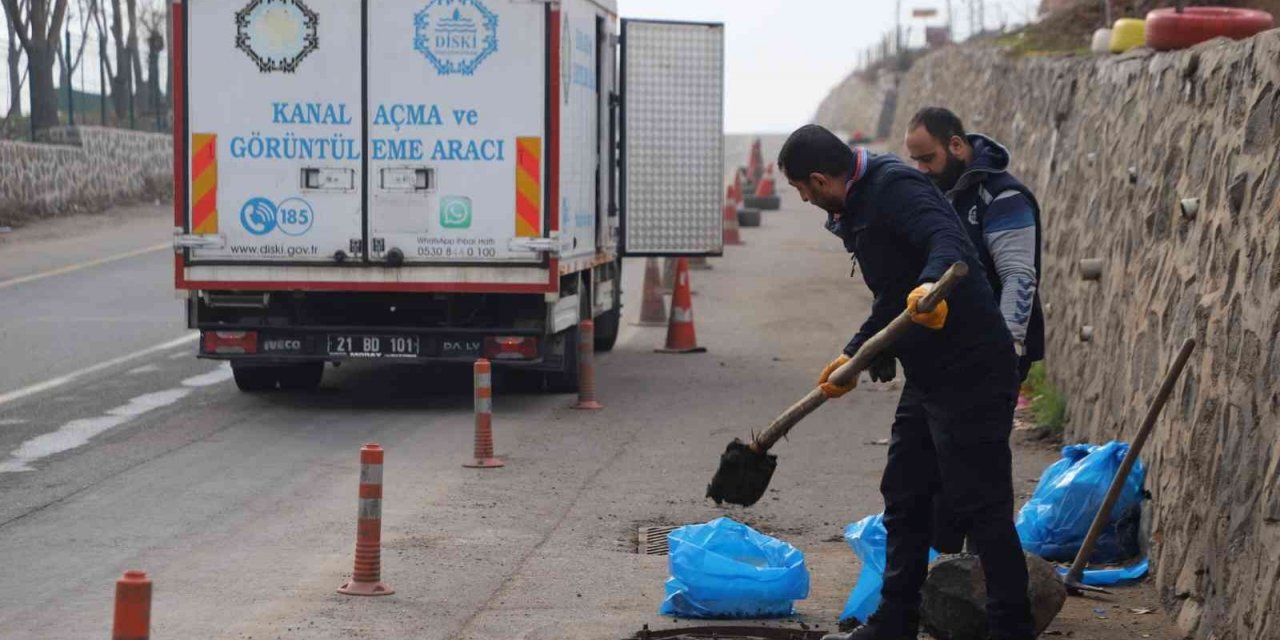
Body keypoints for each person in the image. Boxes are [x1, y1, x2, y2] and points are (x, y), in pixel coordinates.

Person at [777, 124, 1034, 640]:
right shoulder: (855, 209)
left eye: (802, 190)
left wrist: (928, 289)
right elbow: (892, 296)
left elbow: (947, 241)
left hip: (973, 366)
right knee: (905, 491)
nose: (804, 200)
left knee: (978, 503)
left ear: (820, 178)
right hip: (929, 372)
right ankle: (896, 619)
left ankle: (1011, 626)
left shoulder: (897, 187)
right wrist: (851, 355)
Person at [904, 107, 1044, 381]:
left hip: (991, 353)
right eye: (916, 161)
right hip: (950, 349)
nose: (922, 169)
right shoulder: (940, 192)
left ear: (955, 145)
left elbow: (1018, 277)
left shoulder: (1003, 197)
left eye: (928, 158)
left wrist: (1006, 352)